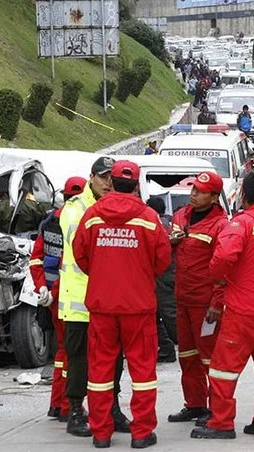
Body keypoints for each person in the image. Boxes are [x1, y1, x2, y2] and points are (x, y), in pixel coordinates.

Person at [73, 160, 171, 449]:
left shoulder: (92, 215)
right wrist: (139, 274)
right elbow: (163, 260)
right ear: (137, 184)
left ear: (112, 182)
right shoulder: (149, 218)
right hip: (138, 307)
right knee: (142, 371)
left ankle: (101, 433)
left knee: (100, 371)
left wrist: (104, 272)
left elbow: (81, 256)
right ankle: (142, 433)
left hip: (102, 306)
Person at [191, 171, 254, 440]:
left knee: (224, 366)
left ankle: (221, 422)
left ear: (244, 195)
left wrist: (215, 277)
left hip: (245, 308)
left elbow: (223, 257)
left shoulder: (242, 223)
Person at [58, 156, 131, 438]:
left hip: (110, 298)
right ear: (91, 178)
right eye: (102, 177)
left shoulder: (118, 207)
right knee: (78, 359)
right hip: (79, 300)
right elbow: (85, 250)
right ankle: (76, 410)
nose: (108, 183)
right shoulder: (75, 209)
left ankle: (111, 407)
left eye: (111, 177)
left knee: (114, 358)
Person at [167, 171, 229, 426]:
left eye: (200, 192)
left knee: (209, 358)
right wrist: (170, 242)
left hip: (205, 304)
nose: (193, 195)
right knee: (188, 356)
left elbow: (224, 269)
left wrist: (216, 303)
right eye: (193, 190)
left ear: (214, 198)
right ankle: (194, 404)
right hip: (182, 299)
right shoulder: (181, 216)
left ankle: (216, 409)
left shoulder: (221, 225)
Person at [30, 176, 86, 422]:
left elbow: (36, 258)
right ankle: (66, 406)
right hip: (69, 297)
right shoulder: (79, 221)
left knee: (62, 353)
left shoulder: (49, 221)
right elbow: (71, 265)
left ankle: (56, 404)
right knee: (73, 355)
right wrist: (50, 292)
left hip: (52, 297)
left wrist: (41, 287)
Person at [146, 197, 177, 364]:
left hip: (162, 274)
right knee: (160, 313)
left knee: (166, 314)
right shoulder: (170, 221)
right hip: (170, 272)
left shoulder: (156, 223)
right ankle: (168, 347)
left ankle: (173, 345)